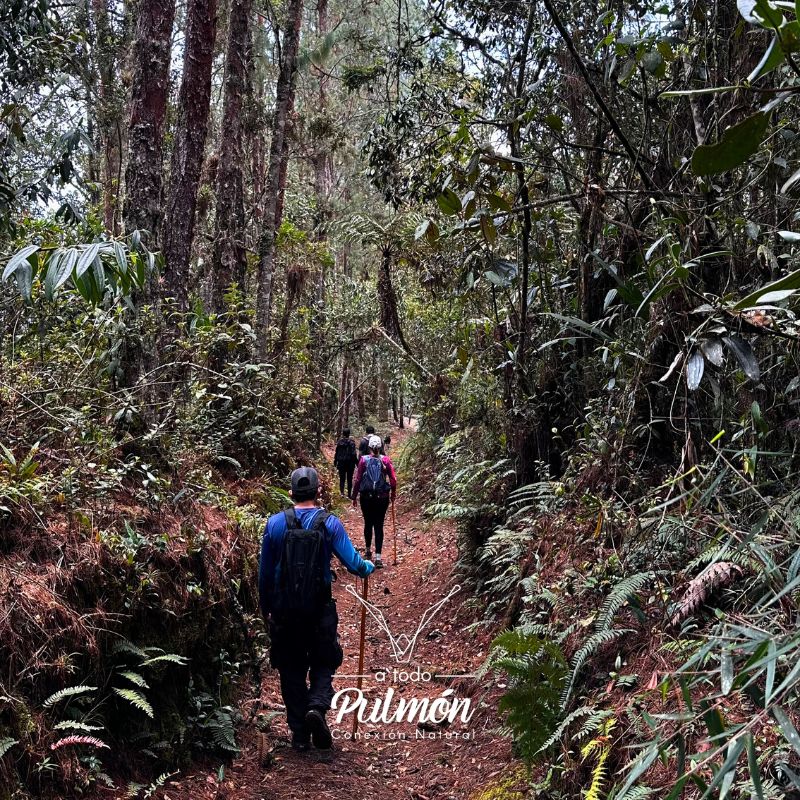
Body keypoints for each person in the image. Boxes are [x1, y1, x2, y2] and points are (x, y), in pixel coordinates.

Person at [259, 467, 374, 752]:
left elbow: (264, 574)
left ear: (291, 493)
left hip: (285, 613)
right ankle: (317, 708)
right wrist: (367, 567)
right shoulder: (329, 523)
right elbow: (353, 563)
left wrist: (267, 608)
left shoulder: (274, 524)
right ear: (318, 491)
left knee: (291, 668)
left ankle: (300, 735)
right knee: (324, 660)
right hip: (319, 610)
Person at [352, 435, 397, 569]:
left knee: (368, 523)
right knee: (379, 525)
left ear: (369, 447)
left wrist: (354, 496)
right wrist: (393, 493)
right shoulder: (385, 460)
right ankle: (378, 557)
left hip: (366, 497)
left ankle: (367, 550)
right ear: (381, 446)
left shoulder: (363, 460)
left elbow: (358, 479)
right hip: (382, 497)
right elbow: (393, 479)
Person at [333, 427, 358, 498]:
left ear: (343, 433)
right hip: (350, 463)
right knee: (349, 478)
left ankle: (342, 493)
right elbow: (353, 454)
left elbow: (337, 452)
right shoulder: (352, 443)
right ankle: (349, 494)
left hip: (341, 462)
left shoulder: (339, 442)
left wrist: (335, 461)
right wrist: (357, 463)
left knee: (342, 478)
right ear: (349, 434)